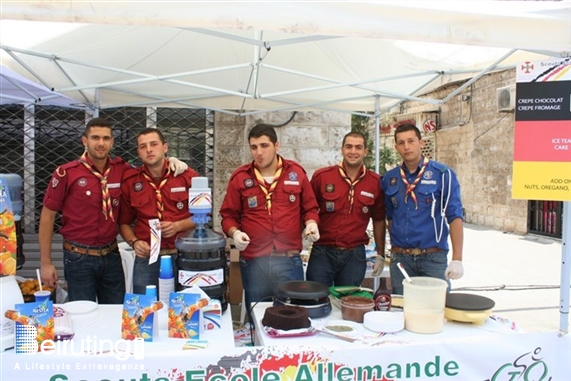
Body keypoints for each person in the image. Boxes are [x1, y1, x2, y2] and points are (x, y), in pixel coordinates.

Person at [39, 118, 188, 303]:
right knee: (83, 312)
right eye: (95, 138)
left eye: (106, 138)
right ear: (85, 141)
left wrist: (170, 160)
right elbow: (47, 216)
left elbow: (150, 167)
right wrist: (46, 262)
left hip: (111, 256)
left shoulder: (122, 170)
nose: (101, 143)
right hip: (78, 258)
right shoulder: (67, 173)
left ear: (112, 142)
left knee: (117, 312)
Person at [219, 123, 320, 318]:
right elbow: (228, 215)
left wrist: (311, 223)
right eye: (254, 147)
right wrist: (235, 233)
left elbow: (310, 208)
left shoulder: (296, 173)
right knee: (258, 317)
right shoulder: (240, 177)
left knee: (294, 316)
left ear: (277, 145)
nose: (259, 152)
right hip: (255, 260)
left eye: (264, 146)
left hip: (288, 260)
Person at [382, 123, 464, 295]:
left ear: (421, 142)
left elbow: (454, 216)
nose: (406, 146)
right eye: (401, 142)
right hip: (401, 259)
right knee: (403, 311)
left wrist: (457, 259)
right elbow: (390, 218)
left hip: (433, 258)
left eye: (411, 141)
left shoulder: (443, 174)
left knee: (438, 309)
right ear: (396, 146)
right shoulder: (390, 178)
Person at [119, 128, 200, 295]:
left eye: (154, 144)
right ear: (138, 153)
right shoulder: (130, 181)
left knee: (186, 309)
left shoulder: (188, 177)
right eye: (143, 146)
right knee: (145, 309)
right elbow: (124, 222)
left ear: (165, 147)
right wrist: (134, 242)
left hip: (183, 255)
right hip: (148, 258)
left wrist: (178, 226)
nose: (149, 149)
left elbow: (203, 217)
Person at [306, 131, 386, 287]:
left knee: (348, 303)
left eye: (358, 147)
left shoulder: (375, 182)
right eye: (349, 147)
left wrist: (381, 254)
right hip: (322, 252)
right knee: (315, 300)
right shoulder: (322, 177)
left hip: (354, 256)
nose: (353, 152)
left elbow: (378, 219)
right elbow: (307, 208)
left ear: (365, 151)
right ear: (342, 149)